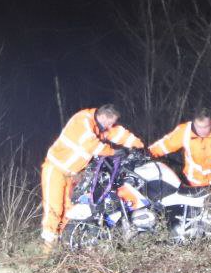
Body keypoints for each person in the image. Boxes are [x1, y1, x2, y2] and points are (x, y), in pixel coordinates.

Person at [41, 103, 144, 247]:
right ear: (103, 117)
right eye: (110, 122)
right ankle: (47, 248)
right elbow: (90, 145)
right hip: (55, 169)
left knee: (68, 210)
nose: (110, 126)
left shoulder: (100, 126)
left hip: (70, 175)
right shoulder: (82, 121)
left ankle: (60, 244)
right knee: (54, 209)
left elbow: (119, 134)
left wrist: (140, 146)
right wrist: (113, 152)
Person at [148, 107, 211, 188]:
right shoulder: (184, 131)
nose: (201, 131)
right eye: (198, 127)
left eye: (205, 127)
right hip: (195, 183)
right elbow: (164, 145)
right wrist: (147, 153)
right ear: (193, 122)